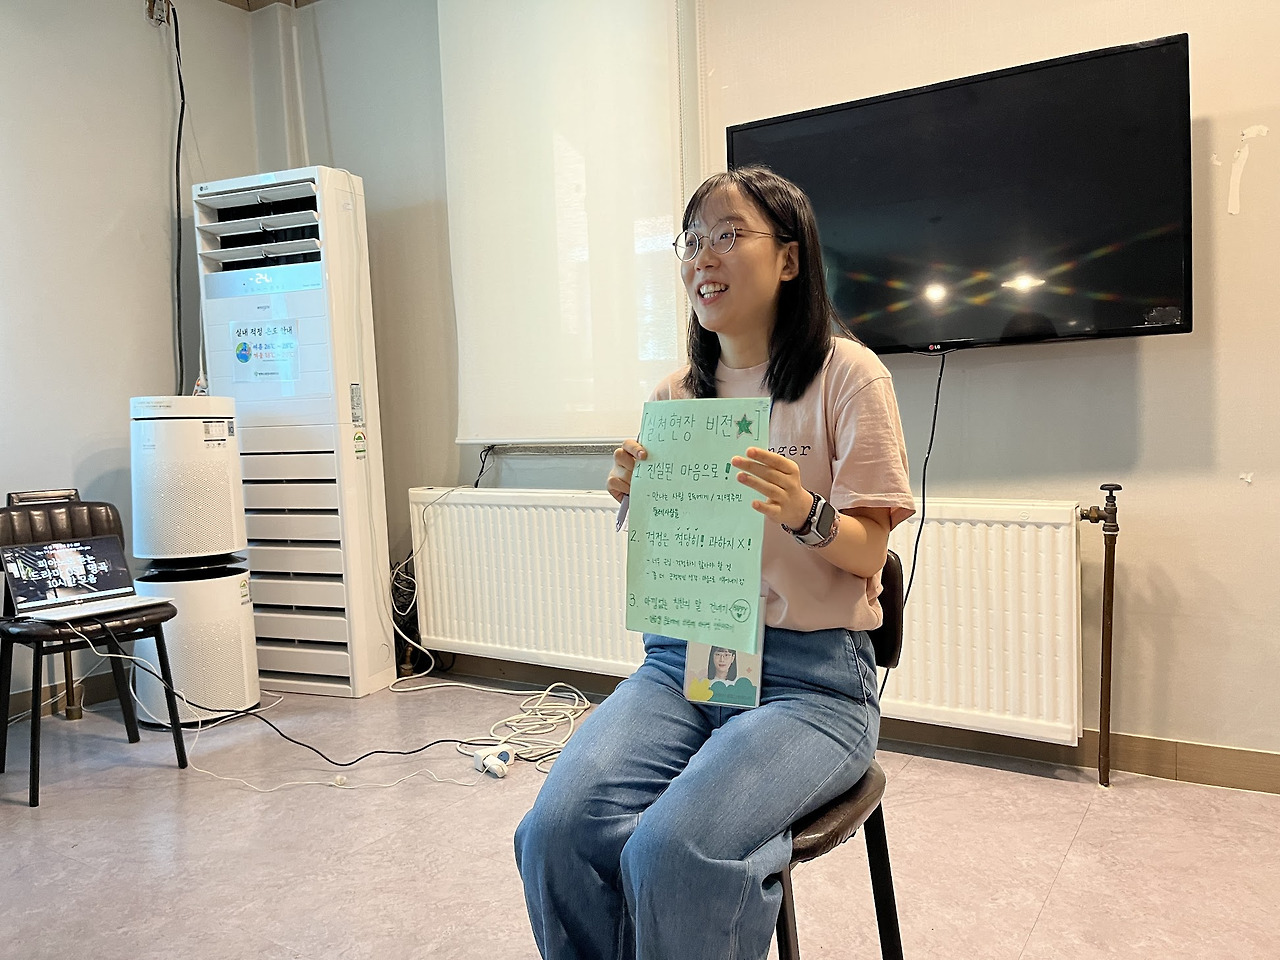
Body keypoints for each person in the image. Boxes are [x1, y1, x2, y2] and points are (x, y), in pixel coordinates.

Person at [514, 165, 915, 960]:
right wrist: (636, 491)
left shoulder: (848, 375)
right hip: (685, 663)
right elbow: (680, 548)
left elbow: (872, 547)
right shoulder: (676, 397)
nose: (704, 256)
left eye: (729, 235)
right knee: (554, 830)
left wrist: (804, 511)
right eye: (692, 240)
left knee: (671, 851)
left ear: (790, 259)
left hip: (812, 684)